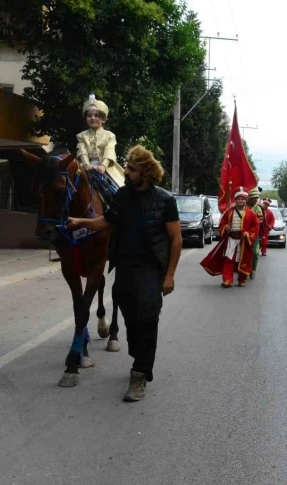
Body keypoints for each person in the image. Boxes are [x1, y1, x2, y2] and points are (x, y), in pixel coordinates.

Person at [66, 145, 182, 402]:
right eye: (127, 168)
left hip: (151, 268)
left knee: (147, 319)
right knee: (130, 318)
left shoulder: (165, 200)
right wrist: (82, 222)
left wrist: (170, 275)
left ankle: (139, 374)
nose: (126, 172)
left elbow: (176, 239)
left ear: (146, 172)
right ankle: (139, 357)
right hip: (125, 267)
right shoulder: (122, 196)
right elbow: (107, 221)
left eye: (131, 169)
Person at [200, 187, 259, 287]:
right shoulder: (229, 212)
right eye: (239, 199)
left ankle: (242, 279)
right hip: (231, 239)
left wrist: (248, 234)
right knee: (229, 259)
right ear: (235, 200)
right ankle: (227, 280)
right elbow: (222, 223)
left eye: (243, 199)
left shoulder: (251, 214)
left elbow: (255, 226)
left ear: (246, 200)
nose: (241, 201)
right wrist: (225, 227)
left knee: (243, 259)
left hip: (244, 241)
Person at [76, 94, 124, 199]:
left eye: (96, 115)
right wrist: (86, 164)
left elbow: (109, 151)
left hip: (104, 168)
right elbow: (82, 151)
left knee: (118, 190)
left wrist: (103, 166)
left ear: (103, 119)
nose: (92, 118)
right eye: (89, 116)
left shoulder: (110, 136)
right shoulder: (81, 136)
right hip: (86, 167)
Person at [247, 188, 264, 279]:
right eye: (254, 198)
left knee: (255, 252)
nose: (256, 200)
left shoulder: (258, 208)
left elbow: (260, 220)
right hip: (243, 233)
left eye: (257, 198)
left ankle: (253, 270)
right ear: (249, 198)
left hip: (254, 234)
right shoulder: (243, 206)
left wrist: (252, 223)